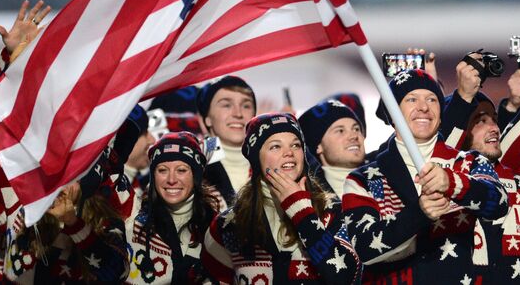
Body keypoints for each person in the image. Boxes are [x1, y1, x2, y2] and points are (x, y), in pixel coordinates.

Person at [342, 69, 508, 284]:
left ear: (441, 115)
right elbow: (364, 248)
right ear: (392, 113)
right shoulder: (362, 179)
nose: (423, 107)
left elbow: (499, 202)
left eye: (432, 99)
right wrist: (419, 214)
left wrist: (453, 183)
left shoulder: (469, 162)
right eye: (411, 99)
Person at [202, 112, 362, 284]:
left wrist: (301, 211)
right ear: (257, 159)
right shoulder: (229, 224)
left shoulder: (334, 210)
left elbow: (346, 277)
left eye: (295, 145)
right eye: (275, 146)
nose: (289, 153)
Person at [443, 61, 520, 283]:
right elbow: (445, 148)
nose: (494, 127)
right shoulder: (446, 177)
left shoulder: (518, 175)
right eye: (480, 121)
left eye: (494, 119)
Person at [110, 131, 218, 284]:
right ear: (153, 175)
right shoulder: (133, 213)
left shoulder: (215, 227)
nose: (171, 179)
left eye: (181, 170)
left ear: (196, 175)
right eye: (162, 170)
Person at [196, 75, 257, 207]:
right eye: (226, 105)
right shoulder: (191, 164)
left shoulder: (272, 161)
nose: (238, 113)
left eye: (246, 106)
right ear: (207, 118)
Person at [299, 99, 366, 197]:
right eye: (340, 131)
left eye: (356, 129)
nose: (353, 136)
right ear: (318, 146)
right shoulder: (313, 199)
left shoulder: (384, 176)